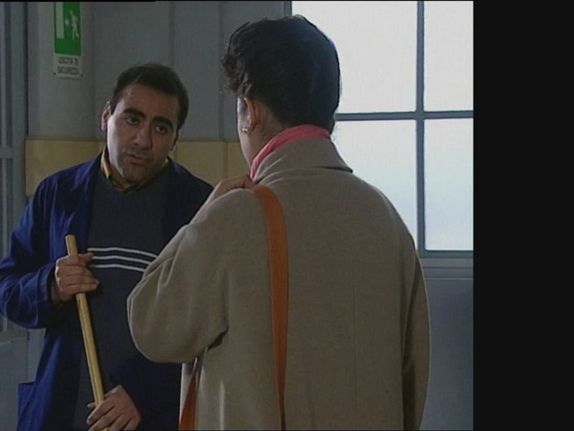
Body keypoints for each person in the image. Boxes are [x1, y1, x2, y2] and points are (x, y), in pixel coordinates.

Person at [127, 16, 430, 430]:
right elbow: (413, 375)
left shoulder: (235, 216)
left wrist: (201, 220)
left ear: (249, 112)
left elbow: (152, 325)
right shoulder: (386, 218)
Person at [0, 63, 213, 431]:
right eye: (132, 119)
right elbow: (7, 289)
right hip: (63, 412)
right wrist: (51, 286)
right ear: (106, 116)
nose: (143, 140)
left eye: (161, 128)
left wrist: (143, 390)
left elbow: (208, 323)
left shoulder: (198, 208)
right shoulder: (59, 194)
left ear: (176, 138)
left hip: (154, 416)